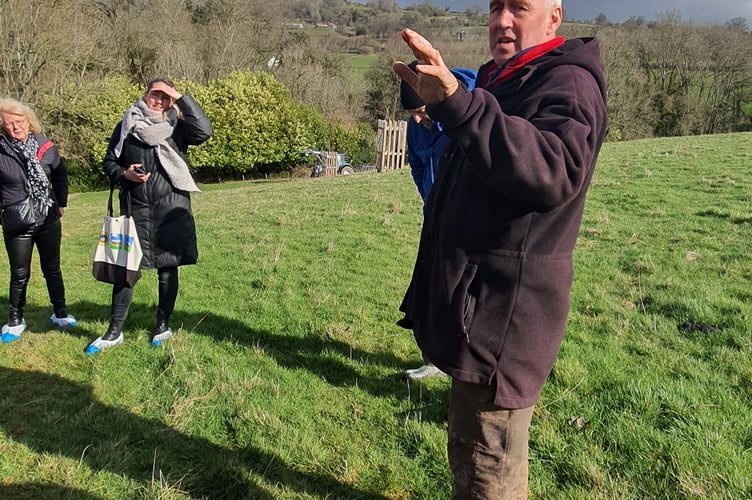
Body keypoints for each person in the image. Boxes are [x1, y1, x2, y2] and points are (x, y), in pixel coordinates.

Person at [393, 0, 608, 496]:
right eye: (495, 7)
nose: (502, 20)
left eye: (519, 7)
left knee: (489, 473)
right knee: (470, 453)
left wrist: (461, 106)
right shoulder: (506, 76)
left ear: (553, 16)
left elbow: (554, 171)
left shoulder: (566, 83)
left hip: (502, 321)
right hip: (478, 310)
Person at [86, 78, 213, 355]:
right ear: (145, 94)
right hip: (136, 208)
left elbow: (204, 131)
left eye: (165, 96)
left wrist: (180, 97)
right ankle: (114, 331)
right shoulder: (127, 124)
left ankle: (162, 325)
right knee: (126, 273)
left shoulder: (177, 127)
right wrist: (124, 174)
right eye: (155, 94)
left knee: (168, 269)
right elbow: (109, 161)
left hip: (171, 209)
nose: (159, 100)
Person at [400, 62, 476, 381]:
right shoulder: (416, 125)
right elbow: (417, 164)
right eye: (413, 113)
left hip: (470, 220)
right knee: (429, 289)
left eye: (421, 110)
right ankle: (432, 360)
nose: (417, 119)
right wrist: (429, 200)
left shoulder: (469, 114)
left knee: (462, 292)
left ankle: (466, 364)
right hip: (435, 217)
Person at [0, 98, 77, 343]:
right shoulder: (1, 148)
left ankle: (60, 312)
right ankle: (15, 320)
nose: (16, 127)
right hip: (17, 221)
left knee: (52, 268)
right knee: (20, 272)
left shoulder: (44, 144)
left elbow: (60, 174)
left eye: (19, 121)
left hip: (48, 217)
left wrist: (61, 203)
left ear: (28, 120)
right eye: (9, 123)